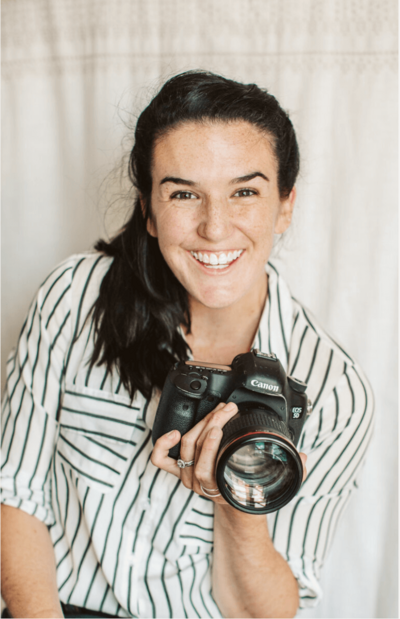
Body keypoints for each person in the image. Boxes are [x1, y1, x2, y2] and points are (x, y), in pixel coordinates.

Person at [1, 71, 374, 619]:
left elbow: (265, 612)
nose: (215, 228)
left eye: (244, 192)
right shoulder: (75, 296)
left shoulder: (334, 391)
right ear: (149, 212)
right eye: (183, 194)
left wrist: (236, 495)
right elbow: (15, 496)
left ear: (286, 206)